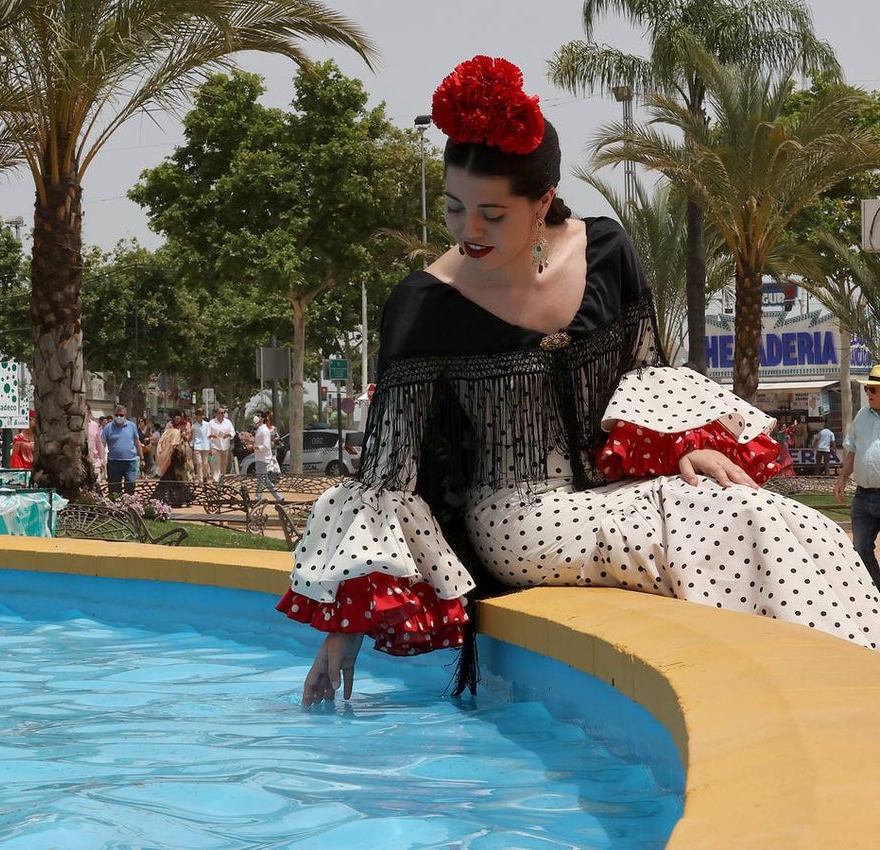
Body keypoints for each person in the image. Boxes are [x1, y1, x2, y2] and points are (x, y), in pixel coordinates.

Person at [277, 56, 880, 706]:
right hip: (515, 520)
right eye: (455, 208)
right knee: (737, 524)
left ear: (542, 202)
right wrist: (345, 627)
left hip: (615, 489)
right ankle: (824, 698)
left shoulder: (606, 252)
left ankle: (842, 698)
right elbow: (388, 474)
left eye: (492, 214)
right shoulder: (426, 305)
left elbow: (641, 379)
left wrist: (683, 444)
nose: (468, 231)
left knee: (795, 521)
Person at [835, 366, 880, 590]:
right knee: (860, 549)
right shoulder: (862, 415)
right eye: (868, 389)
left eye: (873, 389)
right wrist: (842, 478)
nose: (868, 394)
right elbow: (852, 449)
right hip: (863, 497)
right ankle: (876, 593)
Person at [155, 408, 194, 506]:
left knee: (182, 477)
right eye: (175, 417)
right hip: (173, 455)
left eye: (179, 417)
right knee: (171, 476)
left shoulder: (186, 425)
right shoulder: (170, 427)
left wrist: (182, 434)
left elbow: (188, 438)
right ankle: (170, 498)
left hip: (182, 454)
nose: (177, 419)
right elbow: (167, 440)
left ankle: (182, 498)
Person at [102, 405, 144, 495]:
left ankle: (129, 505)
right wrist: (102, 459)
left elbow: (137, 442)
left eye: (121, 415)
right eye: (117, 415)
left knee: (130, 484)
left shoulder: (132, 426)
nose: (119, 417)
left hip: (130, 461)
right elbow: (102, 444)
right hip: (114, 462)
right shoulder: (108, 427)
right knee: (114, 488)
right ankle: (115, 506)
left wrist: (142, 458)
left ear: (125, 415)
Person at [252, 411, 284, 503]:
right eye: (256, 415)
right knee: (264, 479)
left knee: (262, 479)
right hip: (259, 458)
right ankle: (278, 497)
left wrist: (254, 447)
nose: (256, 417)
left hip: (263, 458)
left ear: (262, 418)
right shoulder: (259, 429)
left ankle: (257, 498)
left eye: (258, 416)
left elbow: (266, 446)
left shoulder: (264, 431)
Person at [206, 407, 236, 484]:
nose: (222, 414)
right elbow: (207, 434)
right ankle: (216, 479)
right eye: (221, 413)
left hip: (225, 446)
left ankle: (222, 477)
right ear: (217, 413)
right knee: (214, 462)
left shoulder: (228, 422)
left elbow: (233, 432)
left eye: (223, 413)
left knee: (224, 463)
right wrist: (212, 435)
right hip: (214, 446)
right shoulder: (211, 422)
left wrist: (228, 434)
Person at [191, 407, 212, 484]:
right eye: (197, 415)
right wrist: (192, 446)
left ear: (203, 416)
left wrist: (210, 447)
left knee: (205, 463)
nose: (199, 416)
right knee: (199, 463)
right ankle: (200, 481)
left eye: (200, 415)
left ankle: (205, 476)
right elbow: (193, 437)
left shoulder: (207, 425)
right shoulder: (194, 426)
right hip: (197, 446)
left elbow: (209, 436)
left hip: (206, 446)